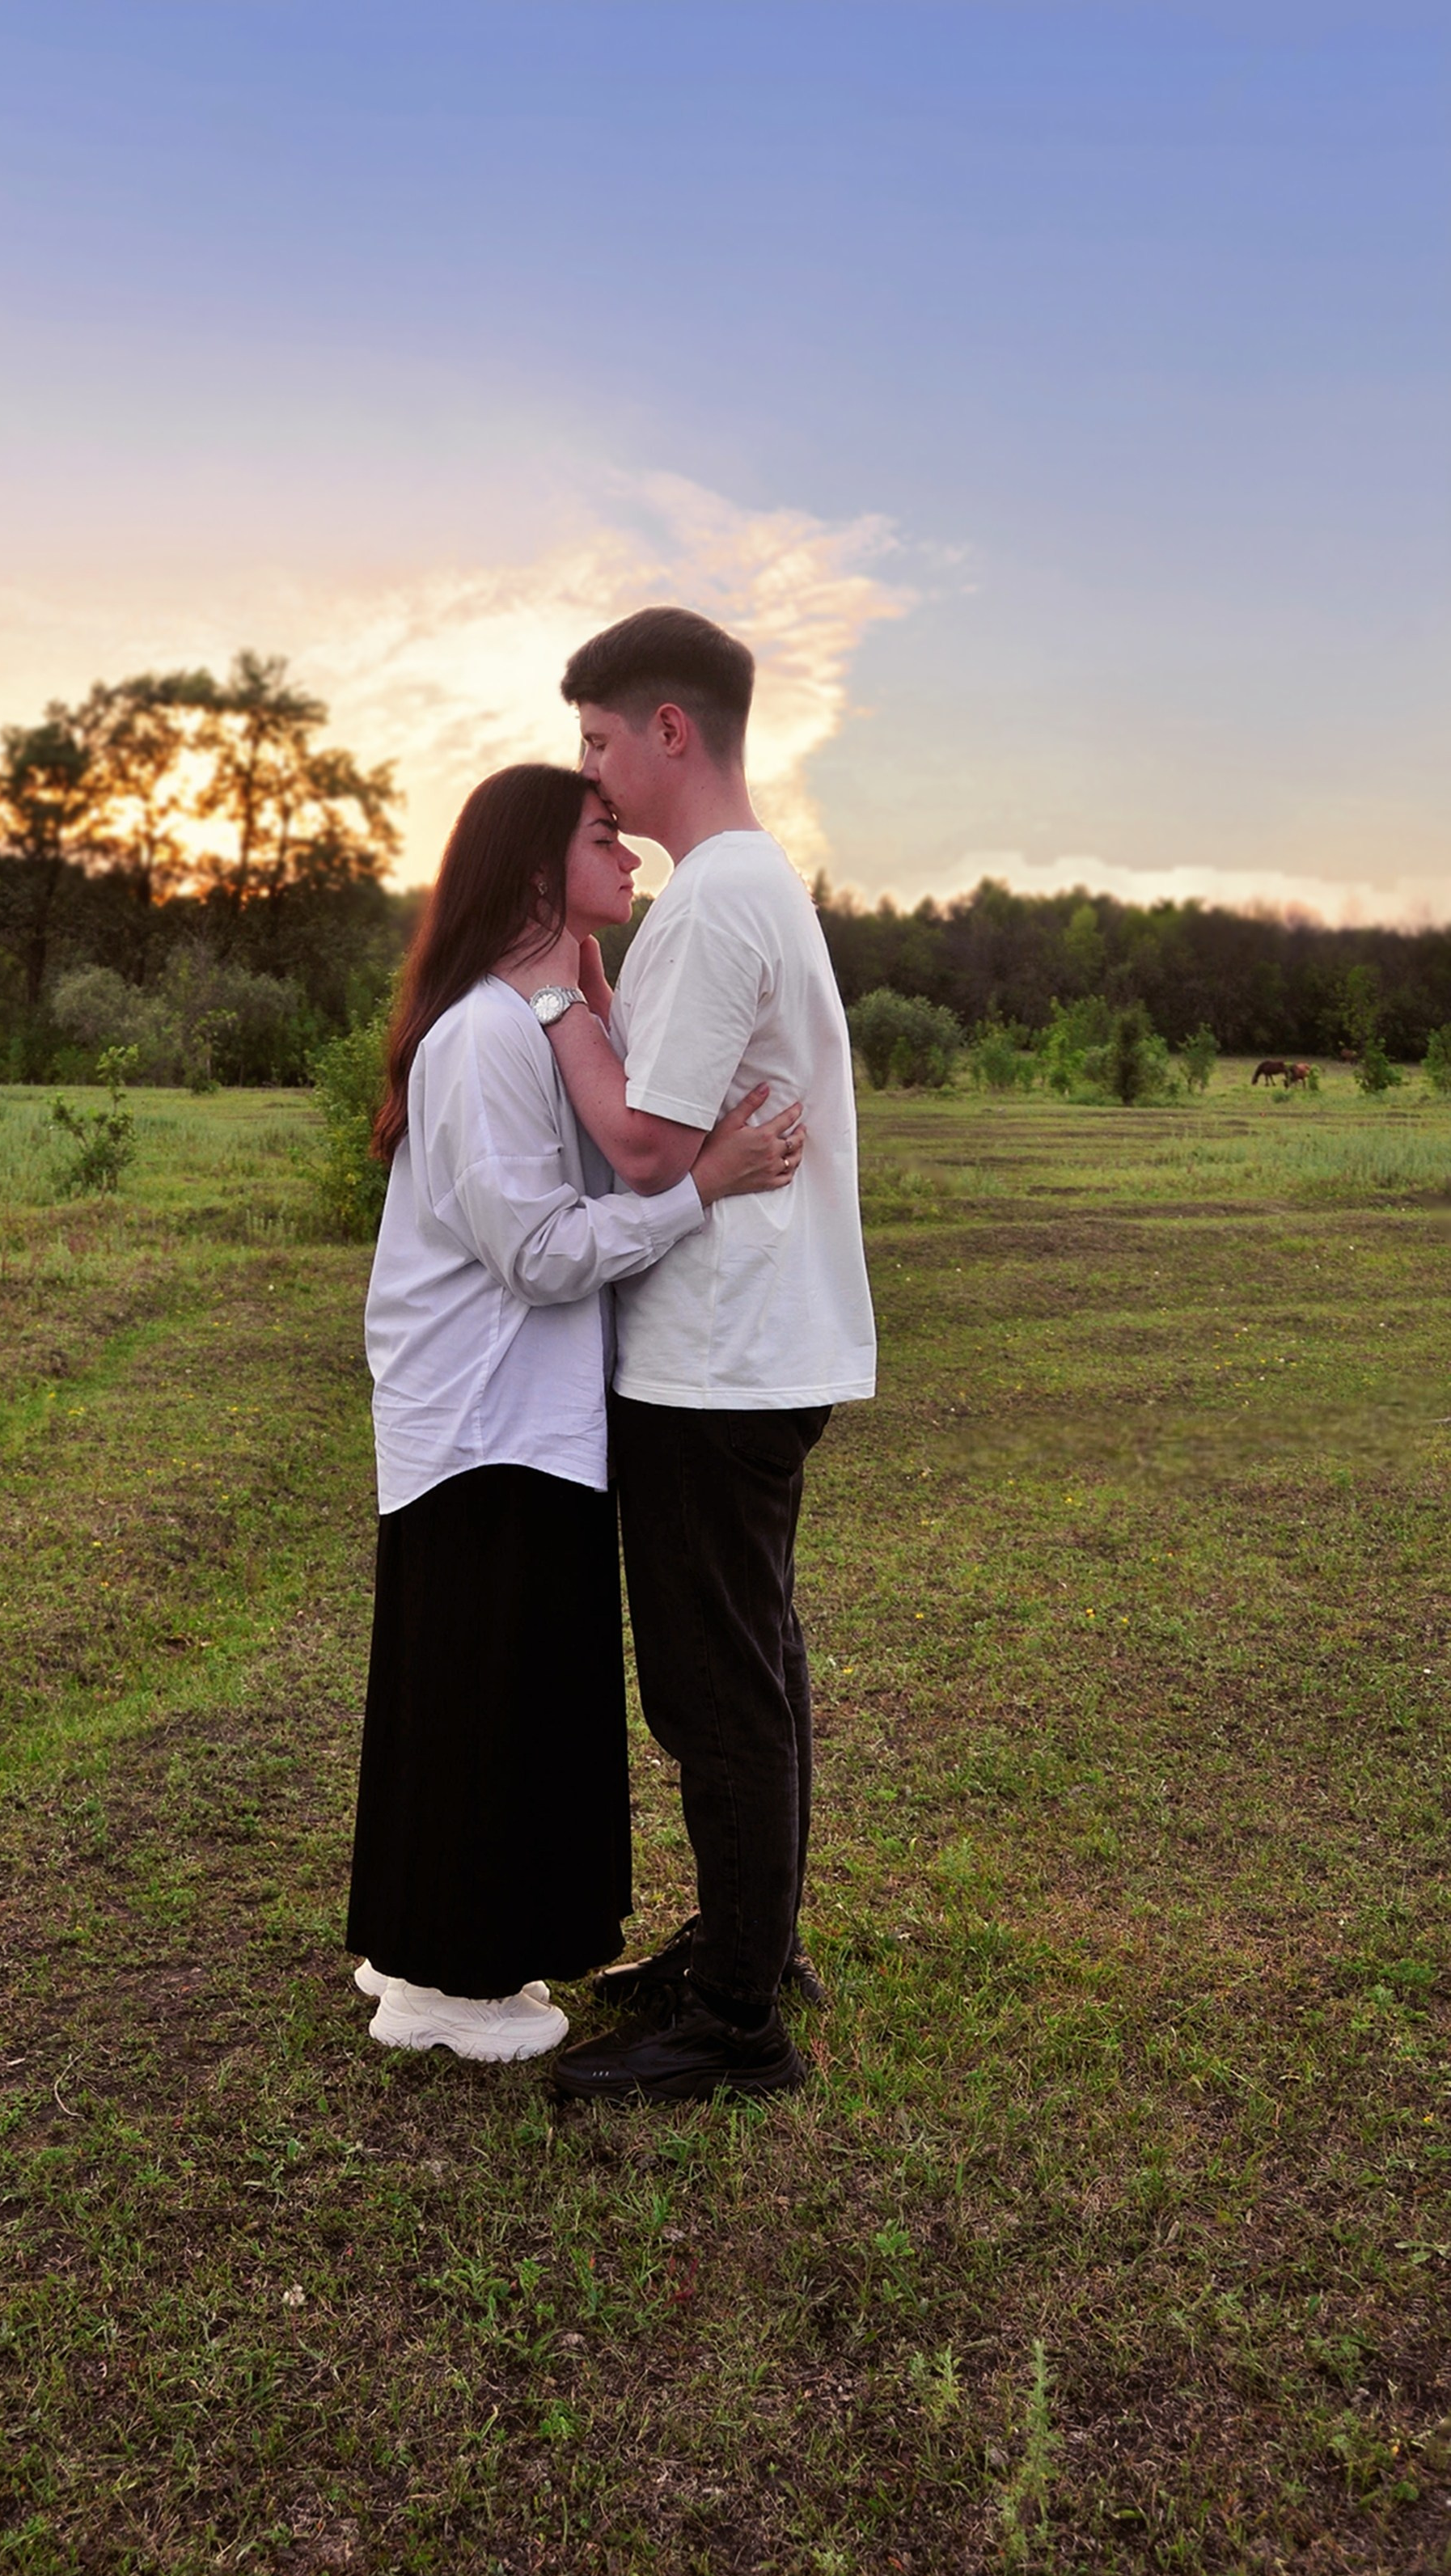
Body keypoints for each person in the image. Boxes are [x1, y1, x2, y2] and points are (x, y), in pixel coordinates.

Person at [345, 762, 806, 2063]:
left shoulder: (527, 1020)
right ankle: (453, 1984)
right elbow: (539, 1252)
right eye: (606, 833)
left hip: (513, 1421)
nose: (637, 854)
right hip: (489, 1424)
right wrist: (704, 1186)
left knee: (475, 1695)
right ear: (539, 866)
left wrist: (592, 1005)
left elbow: (604, 1160)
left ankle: (424, 1955)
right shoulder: (488, 1034)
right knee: (484, 1701)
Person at [531, 607, 878, 2103]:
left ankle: (735, 2023)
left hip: (713, 1358)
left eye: (601, 741)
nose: (591, 778)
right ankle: (750, 1943)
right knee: (760, 1664)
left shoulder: (712, 903)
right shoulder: (749, 886)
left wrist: (556, 1004)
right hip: (759, 1344)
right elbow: (683, 1104)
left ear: (672, 730)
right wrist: (617, 1010)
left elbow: (648, 1145)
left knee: (713, 1688)